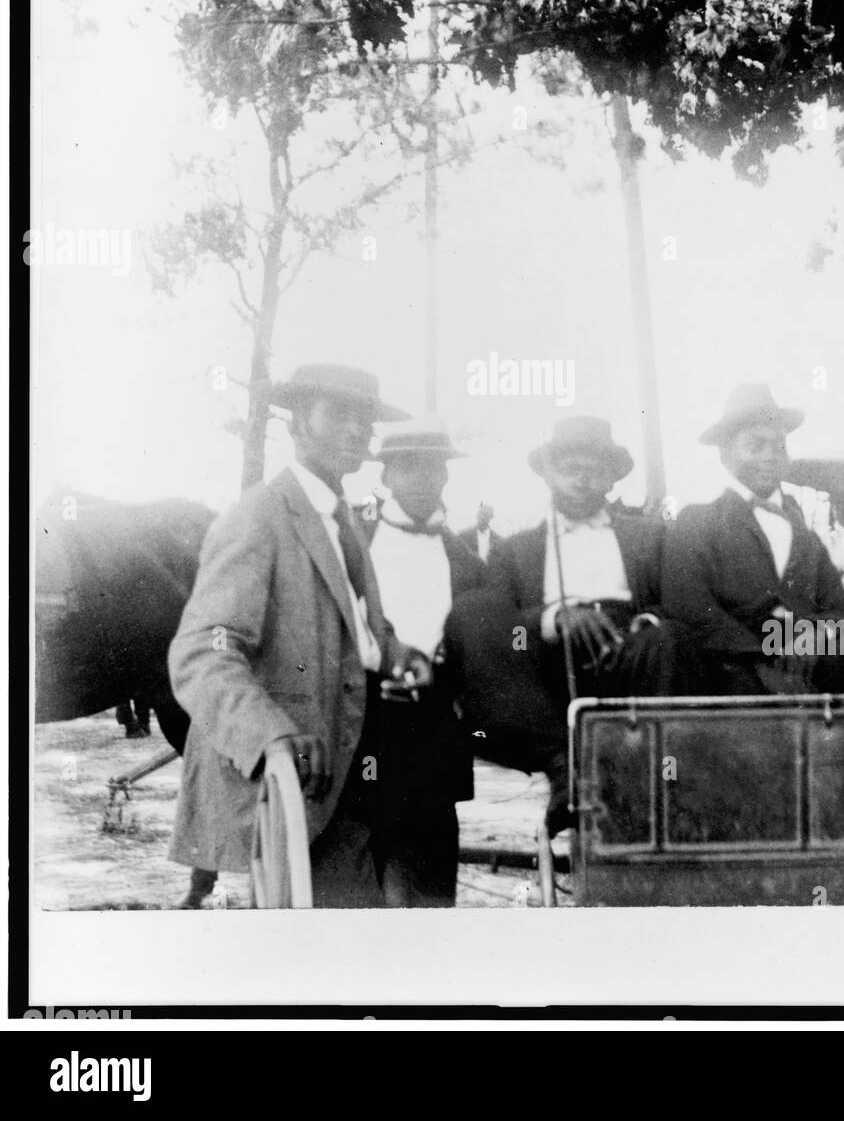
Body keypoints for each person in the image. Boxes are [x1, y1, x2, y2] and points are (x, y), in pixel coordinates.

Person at [167, 363, 435, 909]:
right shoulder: (258, 518)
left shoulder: (344, 520)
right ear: (296, 426)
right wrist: (268, 735)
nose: (355, 431)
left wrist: (395, 651)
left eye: (364, 419)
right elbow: (202, 652)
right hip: (296, 778)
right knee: (331, 944)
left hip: (355, 761)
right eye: (338, 415)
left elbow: (355, 623)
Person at [660, 384, 844, 773]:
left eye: (779, 446)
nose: (771, 456)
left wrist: (813, 635)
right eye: (756, 445)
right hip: (737, 665)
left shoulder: (802, 533)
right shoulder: (697, 521)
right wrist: (765, 651)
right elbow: (687, 606)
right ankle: (810, 766)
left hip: (809, 654)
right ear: (725, 455)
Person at [444, 415, 688, 834]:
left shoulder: (650, 538)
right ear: (548, 475)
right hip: (547, 669)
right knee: (473, 613)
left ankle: (646, 787)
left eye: (594, 470)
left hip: (631, 653)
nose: (582, 479)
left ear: (612, 479)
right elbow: (500, 629)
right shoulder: (515, 551)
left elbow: (679, 604)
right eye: (570, 468)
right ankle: (567, 771)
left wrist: (642, 625)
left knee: (668, 639)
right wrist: (556, 618)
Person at [358, 416, 486, 906]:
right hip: (367, 721)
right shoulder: (353, 541)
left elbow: (476, 648)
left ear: (446, 477)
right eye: (407, 469)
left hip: (433, 724)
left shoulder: (464, 560)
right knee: (370, 849)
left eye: (432, 470)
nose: (421, 480)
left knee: (432, 858)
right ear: (386, 475)